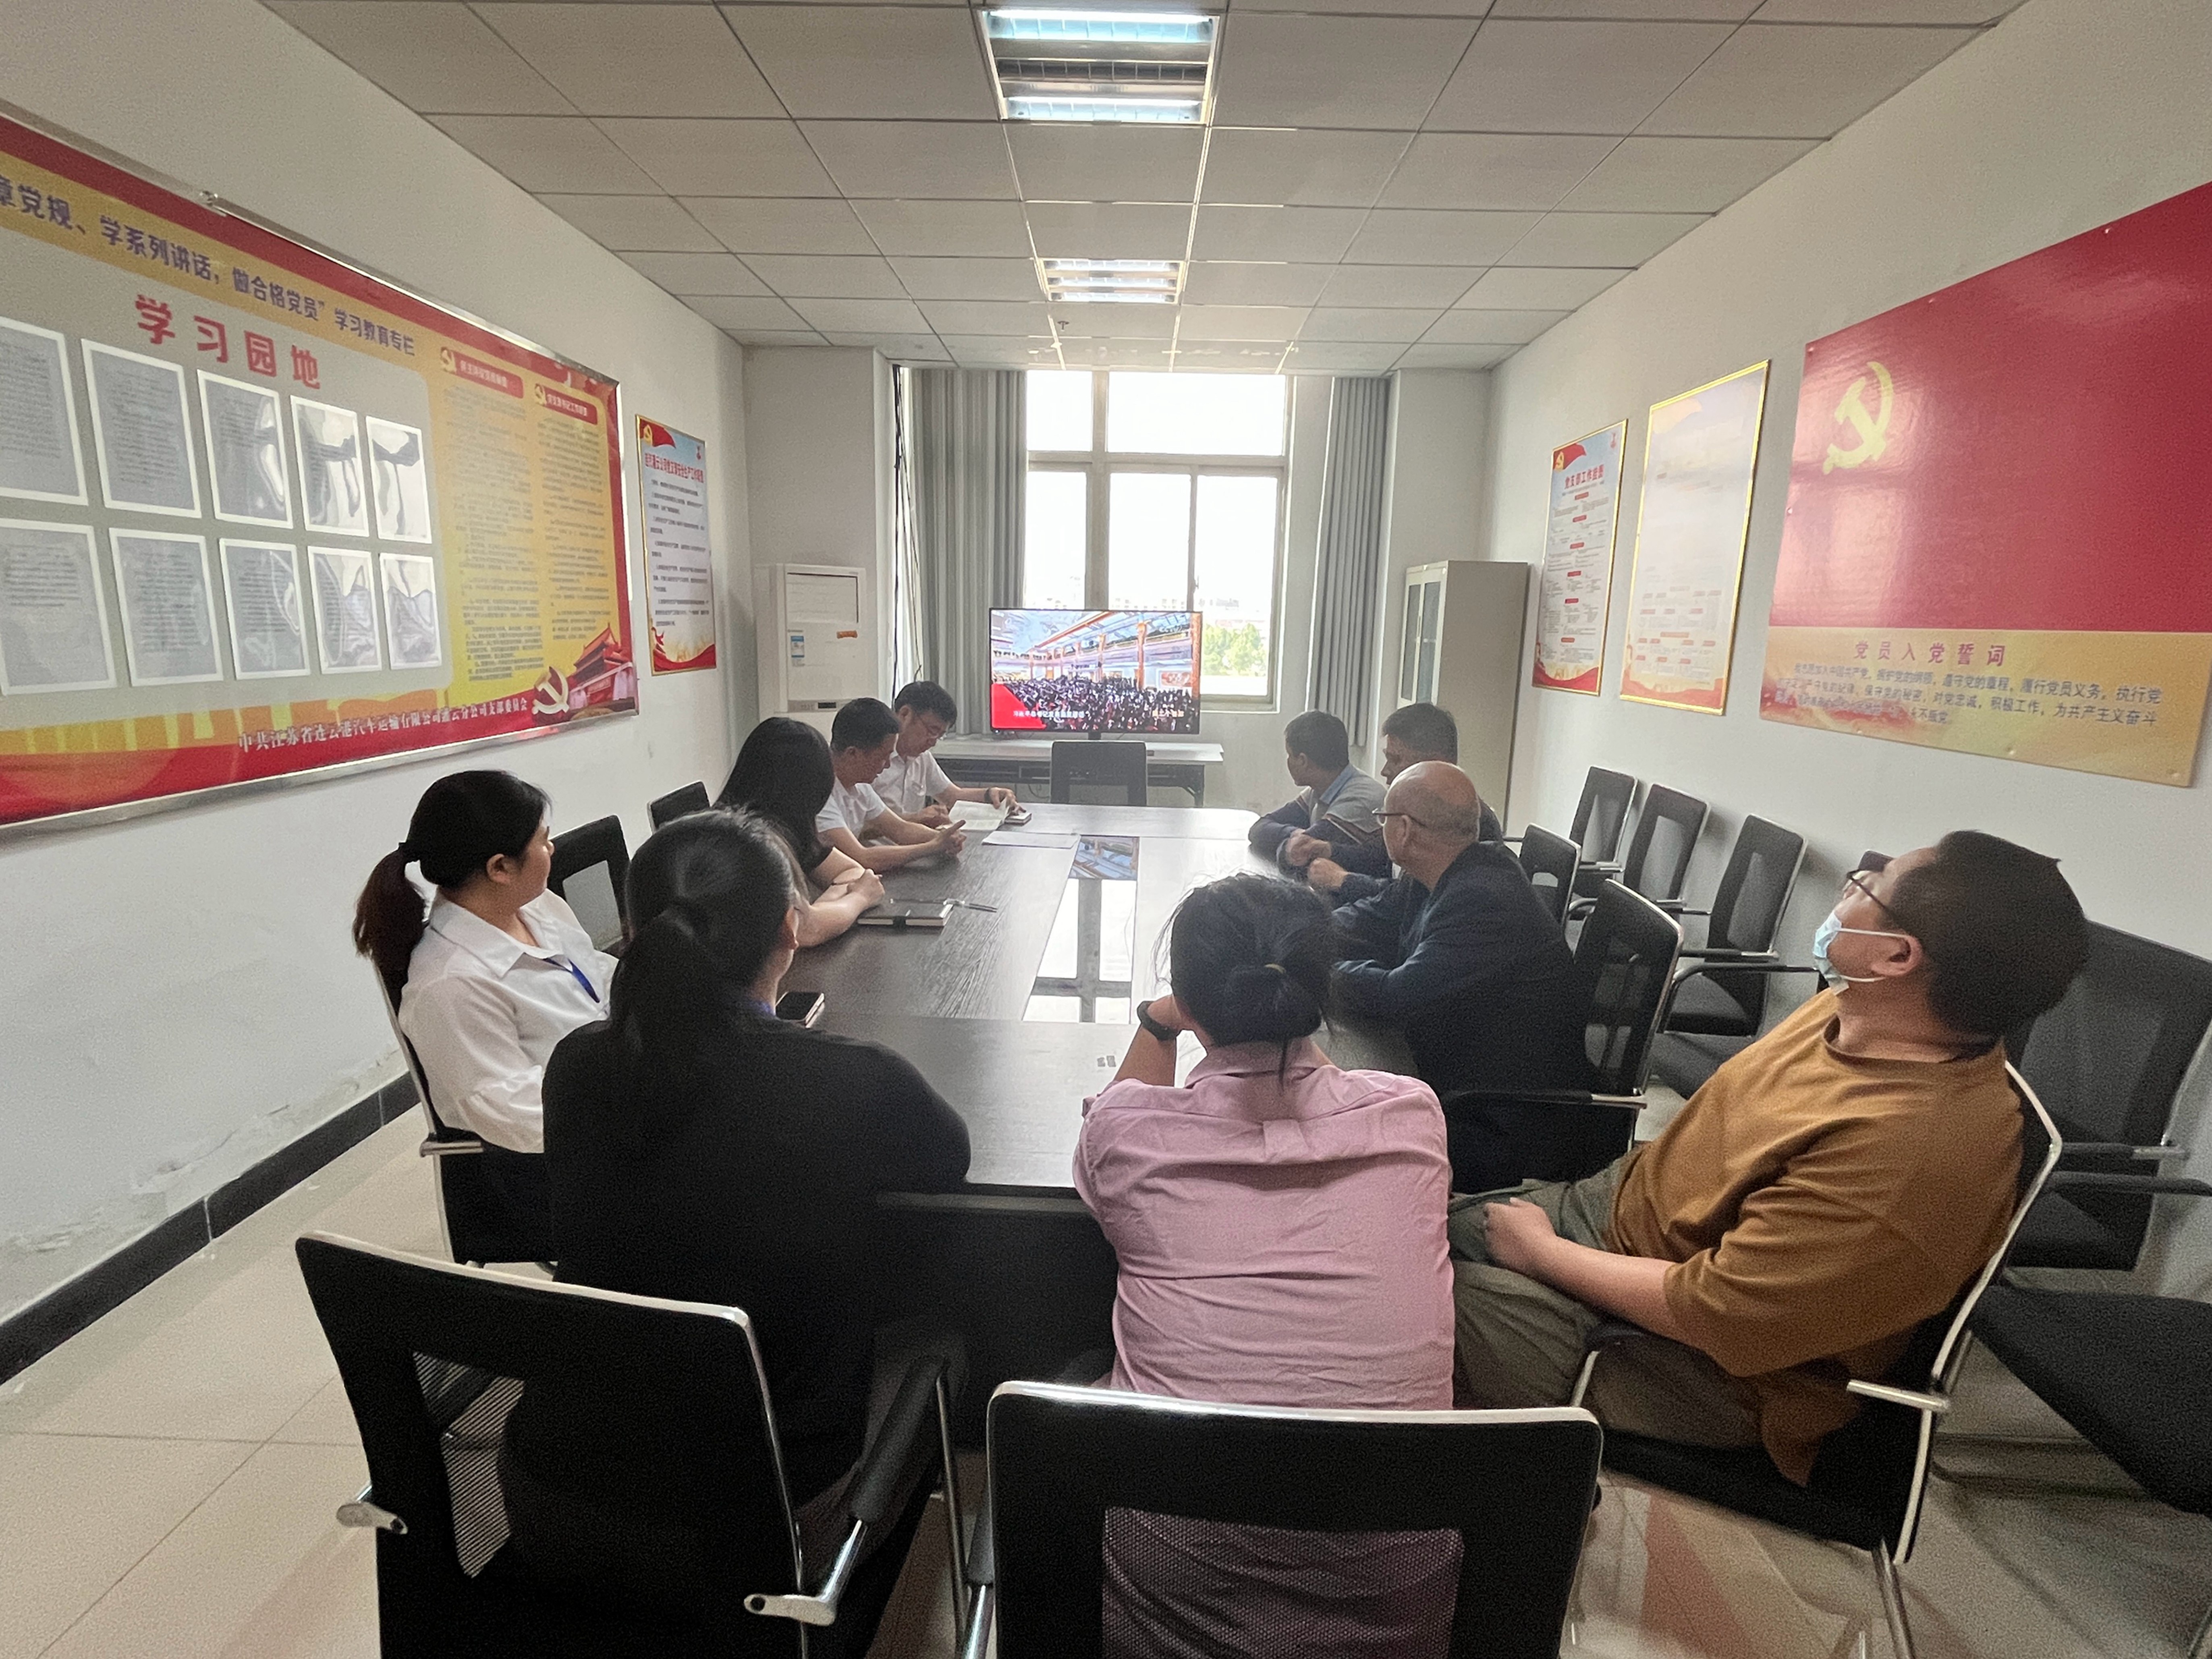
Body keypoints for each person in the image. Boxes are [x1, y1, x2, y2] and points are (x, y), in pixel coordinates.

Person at [1450, 833, 2087, 1486]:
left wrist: (1540, 1254)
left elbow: (1717, 1315)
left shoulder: (1914, 1152)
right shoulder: (1851, 1007)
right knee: (1399, 1221)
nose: (1848, 887)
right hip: (1615, 1223)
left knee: (1394, 1308)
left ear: (1896, 955)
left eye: (1870, 884)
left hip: (1676, 1361)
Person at [501, 810, 973, 1603]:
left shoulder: (577, 1065)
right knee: (945, 1342)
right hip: (752, 1526)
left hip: (552, 1498)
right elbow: (943, 1161)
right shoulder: (858, 1079)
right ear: (792, 927)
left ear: (632, 931)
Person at [1076, 873, 1457, 1656]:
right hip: (1397, 1615)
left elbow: (1115, 1118)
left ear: (1190, 998)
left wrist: (1157, 1021)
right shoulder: (1413, 1114)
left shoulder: (1127, 1133)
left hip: (1171, 1613)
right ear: (1321, 988)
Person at [353, 770, 612, 1187]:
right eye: (543, 840)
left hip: (607, 1094)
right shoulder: (451, 984)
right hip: (555, 1165)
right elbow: (519, 1116)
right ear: (501, 867)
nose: (552, 849)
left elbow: (598, 977)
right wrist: (637, 1103)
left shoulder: (538, 906)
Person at [1331, 762, 1586, 1095]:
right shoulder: (1434, 872)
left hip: (1500, 1101)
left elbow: (1397, 997)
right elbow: (1364, 920)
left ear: (1404, 829)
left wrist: (1321, 970)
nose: (1382, 828)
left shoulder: (1483, 900)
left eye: (1384, 818)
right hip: (1459, 1062)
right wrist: (1295, 932)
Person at [1303, 703, 1502, 898]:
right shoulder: (1418, 809)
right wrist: (1330, 850)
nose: (1385, 771)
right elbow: (1378, 856)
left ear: (1434, 764)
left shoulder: (1464, 821)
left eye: (1396, 760)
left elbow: (1408, 901)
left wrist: (1342, 880)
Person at [716, 716, 884, 946]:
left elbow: (851, 871)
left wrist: (819, 911)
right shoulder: (752, 844)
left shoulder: (785, 828)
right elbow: (805, 931)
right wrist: (859, 898)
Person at [818, 697, 967, 871]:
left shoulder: (861, 787)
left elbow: (900, 830)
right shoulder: (819, 792)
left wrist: (943, 837)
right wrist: (932, 846)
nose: (888, 764)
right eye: (882, 757)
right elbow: (862, 858)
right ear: (853, 753)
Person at [1247, 710, 1387, 875]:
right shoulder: (1321, 787)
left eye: (1290, 755)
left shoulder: (1360, 798)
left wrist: (1296, 840)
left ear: (1303, 761)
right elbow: (1259, 829)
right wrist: (1295, 833)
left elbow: (1294, 858)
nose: (1288, 761)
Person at [873, 680, 1018, 825]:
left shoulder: (922, 758)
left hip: (916, 838)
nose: (933, 742)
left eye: (940, 735)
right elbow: (862, 824)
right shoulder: (872, 758)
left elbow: (952, 796)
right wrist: (916, 819)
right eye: (932, 731)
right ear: (905, 715)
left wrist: (990, 794)